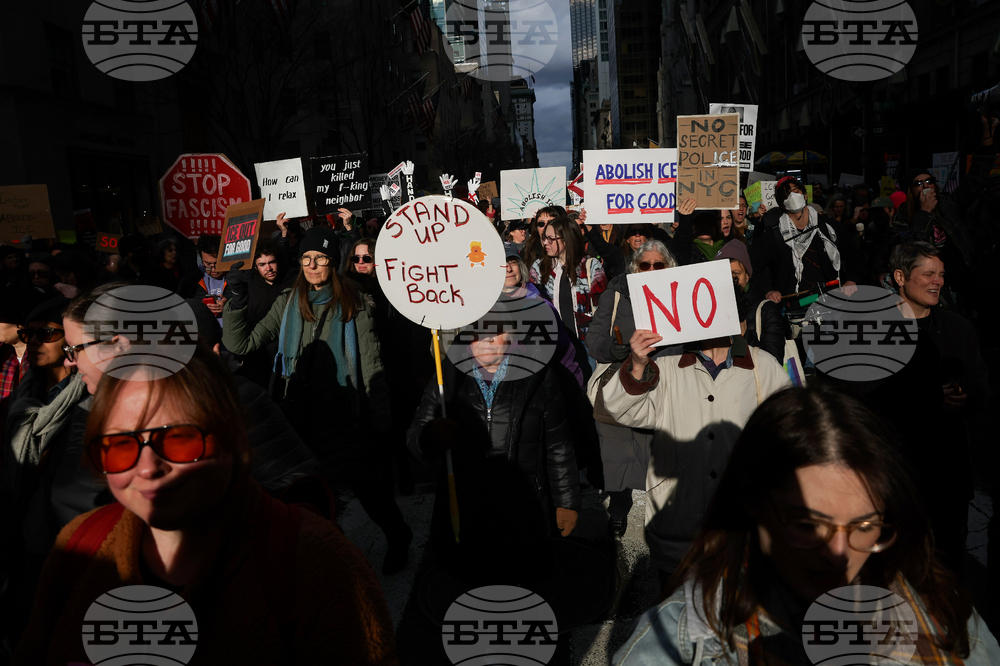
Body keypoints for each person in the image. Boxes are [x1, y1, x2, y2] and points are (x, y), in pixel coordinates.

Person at [13, 345, 399, 664]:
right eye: (120, 447)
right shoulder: (80, 544)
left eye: (179, 439)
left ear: (232, 438)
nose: (148, 468)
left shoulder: (314, 562)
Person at [614, 386, 1000, 665]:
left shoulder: (941, 608)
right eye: (808, 524)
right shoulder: (678, 645)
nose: (838, 554)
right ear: (751, 500)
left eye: (866, 525)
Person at [223, 226, 412, 574]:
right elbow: (240, 345)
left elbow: (371, 365)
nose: (312, 265)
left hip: (343, 412)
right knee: (312, 493)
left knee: (364, 484)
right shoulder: (288, 301)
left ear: (332, 262)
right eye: (306, 258)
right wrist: (236, 300)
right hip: (298, 414)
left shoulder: (354, 301)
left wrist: (380, 420)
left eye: (320, 258)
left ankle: (398, 535)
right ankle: (329, 561)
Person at [602, 305, 791, 582]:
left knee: (732, 615)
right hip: (676, 523)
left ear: (741, 325)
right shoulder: (667, 364)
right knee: (674, 617)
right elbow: (622, 410)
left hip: (740, 526)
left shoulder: (763, 366)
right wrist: (638, 365)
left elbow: (789, 433)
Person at [407, 319, 580, 586]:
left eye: (495, 332)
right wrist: (431, 436)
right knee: (475, 585)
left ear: (510, 335)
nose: (486, 339)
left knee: (524, 584)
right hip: (467, 513)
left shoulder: (538, 375)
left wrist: (566, 502)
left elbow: (558, 445)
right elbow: (416, 438)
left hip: (525, 509)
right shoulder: (447, 377)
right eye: (476, 333)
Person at [870, 242, 988, 574]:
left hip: (950, 474)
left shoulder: (958, 328)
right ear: (900, 277)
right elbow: (867, 401)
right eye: (928, 274)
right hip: (900, 476)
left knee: (950, 566)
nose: (937, 282)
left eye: (941, 275)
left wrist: (967, 395)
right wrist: (929, 399)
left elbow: (980, 382)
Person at [588, 239, 678, 539]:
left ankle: (662, 513)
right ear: (634, 268)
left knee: (658, 450)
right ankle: (618, 505)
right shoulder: (616, 295)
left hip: (665, 380)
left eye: (658, 265)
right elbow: (594, 341)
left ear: (669, 268)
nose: (651, 269)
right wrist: (614, 349)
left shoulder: (680, 296)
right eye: (645, 265)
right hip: (621, 378)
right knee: (616, 448)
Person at [751, 183, 863, 304]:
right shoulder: (773, 236)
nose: (792, 196)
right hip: (794, 306)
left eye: (795, 191)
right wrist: (768, 290)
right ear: (782, 204)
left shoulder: (830, 227)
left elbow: (856, 256)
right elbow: (754, 267)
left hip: (831, 302)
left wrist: (851, 280)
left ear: (805, 195)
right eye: (786, 195)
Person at [530, 215, 607, 357]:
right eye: (544, 238)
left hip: (587, 345)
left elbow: (603, 308)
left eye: (551, 239)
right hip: (553, 346)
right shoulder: (539, 269)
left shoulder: (590, 266)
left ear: (566, 239)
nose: (546, 242)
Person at [226, 238, 297, 389]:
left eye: (271, 262)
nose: (268, 268)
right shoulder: (250, 286)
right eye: (262, 264)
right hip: (259, 355)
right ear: (255, 266)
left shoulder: (295, 281)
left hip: (289, 352)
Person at [715, 239, 785, 362]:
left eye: (736, 274)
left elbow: (773, 361)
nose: (731, 281)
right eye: (725, 274)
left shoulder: (766, 310)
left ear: (747, 276)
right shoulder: (713, 310)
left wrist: (745, 334)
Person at [180, 234, 227, 324]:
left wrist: (229, 307)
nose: (214, 269)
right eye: (208, 264)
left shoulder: (237, 279)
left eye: (217, 264)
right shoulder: (190, 282)